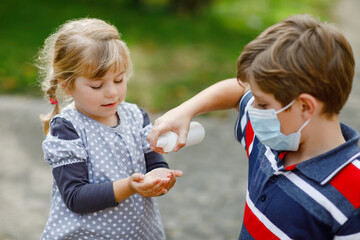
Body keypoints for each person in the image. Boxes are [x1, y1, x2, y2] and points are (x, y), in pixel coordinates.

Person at [148, 14, 360, 239]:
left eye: (263, 103)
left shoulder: (353, 194)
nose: (252, 108)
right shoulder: (269, 140)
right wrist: (185, 111)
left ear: (306, 106)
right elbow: (239, 91)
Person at [37, 18, 183, 240]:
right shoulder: (67, 129)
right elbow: (76, 197)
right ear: (67, 85)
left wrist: (160, 175)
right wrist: (130, 186)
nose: (112, 93)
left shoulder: (135, 116)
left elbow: (152, 160)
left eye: (119, 79)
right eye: (97, 85)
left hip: (140, 233)